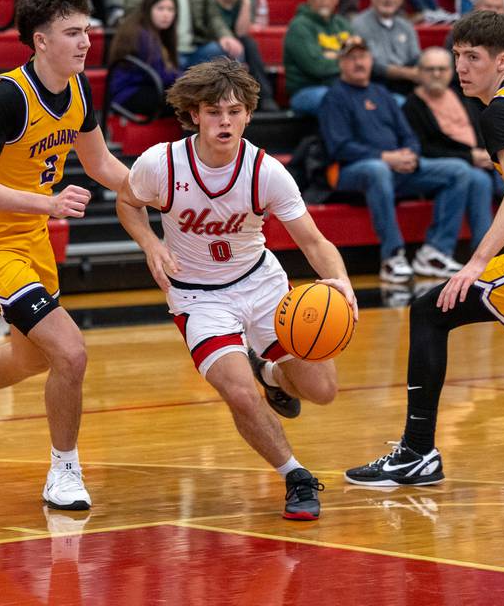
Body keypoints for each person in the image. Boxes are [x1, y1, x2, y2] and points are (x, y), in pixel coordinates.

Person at [116, 58, 358, 520]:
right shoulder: (161, 163)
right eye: (213, 112)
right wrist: (150, 243)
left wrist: (342, 282)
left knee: (323, 390)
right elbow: (127, 202)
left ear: (248, 114)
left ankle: (271, 375)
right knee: (240, 394)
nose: (224, 122)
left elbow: (313, 241)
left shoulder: (266, 172)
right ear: (194, 115)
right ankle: (295, 476)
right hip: (198, 296)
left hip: (261, 284)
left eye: (233, 111)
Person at [0, 0, 129, 512]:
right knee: (70, 352)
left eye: (87, 31)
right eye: (72, 33)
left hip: (31, 239)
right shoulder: (9, 96)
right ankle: (64, 471)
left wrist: (166, 192)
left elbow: (101, 165)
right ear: (41, 41)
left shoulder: (79, 89)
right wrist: (48, 203)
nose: (85, 42)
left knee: (32, 356)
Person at [344, 10, 504, 486]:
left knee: (429, 310)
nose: (461, 67)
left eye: (473, 57)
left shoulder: (500, 110)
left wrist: (476, 263)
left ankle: (417, 452)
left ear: (503, 61)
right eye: (458, 55)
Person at [319, 35, 472, 283]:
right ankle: (392, 256)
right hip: (349, 171)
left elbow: (408, 135)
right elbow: (340, 147)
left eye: (363, 57)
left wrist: (410, 155)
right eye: (352, 58)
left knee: (459, 170)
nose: (359, 63)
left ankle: (435, 252)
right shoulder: (334, 97)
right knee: (377, 169)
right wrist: (386, 157)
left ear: (371, 60)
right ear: (341, 63)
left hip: (395, 169)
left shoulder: (382, 93)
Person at [403, 46, 497, 247]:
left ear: (451, 72)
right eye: (430, 69)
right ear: (419, 72)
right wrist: (470, 157)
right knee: (480, 181)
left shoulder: (462, 96)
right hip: (448, 166)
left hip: (481, 159)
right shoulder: (412, 105)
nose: (436, 74)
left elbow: (482, 129)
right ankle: (483, 253)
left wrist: (488, 153)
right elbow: (424, 148)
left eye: (442, 69)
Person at [124, 0, 244, 68]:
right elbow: (132, 14)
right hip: (162, 49)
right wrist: (152, 41)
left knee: (234, 50)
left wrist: (225, 35)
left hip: (196, 48)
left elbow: (212, 14)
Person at [283, 0, 352, 116]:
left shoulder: (343, 25)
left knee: (384, 98)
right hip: (306, 91)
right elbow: (317, 67)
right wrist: (344, 57)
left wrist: (332, 56)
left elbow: (360, 58)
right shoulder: (299, 26)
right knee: (337, 98)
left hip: (341, 86)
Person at [212, 0, 280, 111]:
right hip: (213, 40)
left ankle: (265, 96)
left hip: (239, 42)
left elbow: (241, 32)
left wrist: (245, 1)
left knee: (249, 44)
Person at [107, 0, 181, 117]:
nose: (166, 14)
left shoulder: (158, 34)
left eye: (170, 9)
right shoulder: (141, 34)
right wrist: (190, 80)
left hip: (147, 87)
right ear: (148, 10)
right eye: (160, 8)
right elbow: (161, 74)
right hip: (128, 94)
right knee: (188, 101)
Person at [352, 0, 422, 97]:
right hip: (375, 87)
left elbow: (416, 57)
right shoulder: (359, 24)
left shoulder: (406, 26)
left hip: (407, 85)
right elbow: (374, 66)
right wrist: (407, 73)